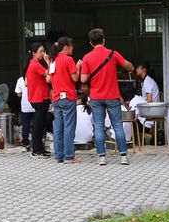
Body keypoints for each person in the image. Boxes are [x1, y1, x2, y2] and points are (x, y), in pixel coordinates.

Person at [80, 28, 133, 166]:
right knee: (118, 126)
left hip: (96, 97)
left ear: (91, 43)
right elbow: (128, 66)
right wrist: (131, 67)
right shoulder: (113, 54)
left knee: (98, 127)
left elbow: (83, 79)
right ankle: (123, 156)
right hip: (112, 96)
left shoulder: (87, 58)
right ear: (104, 40)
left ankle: (102, 157)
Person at [50, 37, 80, 163]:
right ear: (66, 47)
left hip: (56, 97)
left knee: (58, 127)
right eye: (71, 46)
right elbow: (75, 78)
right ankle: (69, 156)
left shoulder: (53, 61)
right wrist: (78, 67)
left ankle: (59, 156)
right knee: (69, 127)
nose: (73, 49)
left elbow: (49, 79)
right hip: (68, 97)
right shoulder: (68, 60)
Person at [25, 42, 51, 157]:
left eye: (43, 51)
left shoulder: (32, 64)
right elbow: (49, 76)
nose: (43, 53)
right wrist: (48, 61)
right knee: (38, 125)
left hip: (37, 98)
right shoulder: (36, 65)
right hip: (40, 98)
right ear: (34, 53)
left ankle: (39, 148)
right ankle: (36, 150)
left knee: (39, 124)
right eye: (40, 51)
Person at [14, 74, 34, 151]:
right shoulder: (35, 77)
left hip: (25, 106)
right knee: (36, 125)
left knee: (25, 125)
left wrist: (24, 92)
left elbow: (19, 94)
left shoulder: (20, 80)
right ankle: (36, 143)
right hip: (36, 104)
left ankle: (26, 144)